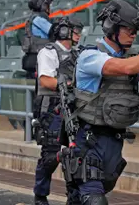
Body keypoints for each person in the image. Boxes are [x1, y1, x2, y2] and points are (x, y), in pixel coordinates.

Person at [58, 0, 139, 204]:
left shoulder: (131, 59)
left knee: (79, 199)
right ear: (112, 27)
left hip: (114, 142)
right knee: (94, 200)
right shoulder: (90, 56)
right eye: (129, 30)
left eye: (135, 31)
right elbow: (124, 68)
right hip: (88, 140)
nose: (134, 35)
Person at [32, 16, 84, 205]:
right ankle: (40, 194)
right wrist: (72, 86)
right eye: (74, 30)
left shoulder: (79, 54)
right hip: (52, 108)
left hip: (74, 108)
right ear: (64, 32)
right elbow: (46, 80)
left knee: (75, 154)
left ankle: (74, 197)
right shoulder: (49, 52)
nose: (78, 34)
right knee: (50, 156)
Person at [22, 0, 54, 79]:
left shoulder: (33, 18)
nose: (49, 7)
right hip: (38, 58)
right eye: (47, 5)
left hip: (36, 57)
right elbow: (53, 31)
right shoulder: (38, 19)